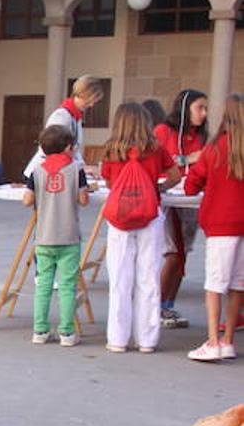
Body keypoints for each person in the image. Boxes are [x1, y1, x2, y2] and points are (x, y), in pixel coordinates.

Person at [100, 102, 181, 354]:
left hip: (121, 219)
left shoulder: (112, 150)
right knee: (148, 278)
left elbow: (108, 180)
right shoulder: (155, 148)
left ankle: (118, 338)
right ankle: (147, 339)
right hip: (150, 214)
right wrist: (158, 188)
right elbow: (176, 175)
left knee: (120, 279)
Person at [184, 93, 243, 362]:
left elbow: (191, 184)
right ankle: (229, 340)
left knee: (215, 284)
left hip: (221, 223)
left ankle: (213, 341)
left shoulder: (216, 148)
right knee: (237, 285)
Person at [23, 125, 90, 347]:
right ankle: (67, 333)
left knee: (43, 284)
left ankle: (40, 330)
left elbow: (27, 200)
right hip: (69, 236)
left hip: (43, 236)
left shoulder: (37, 171)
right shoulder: (76, 169)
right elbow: (83, 200)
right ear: (68, 147)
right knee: (67, 286)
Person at [156, 89, 210, 331]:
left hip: (191, 200)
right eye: (200, 108)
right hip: (168, 199)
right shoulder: (163, 132)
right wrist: (188, 158)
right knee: (173, 252)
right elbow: (157, 160)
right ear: (185, 108)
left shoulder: (199, 136)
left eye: (205, 109)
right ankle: (155, 306)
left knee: (183, 253)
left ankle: (168, 304)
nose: (204, 113)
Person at [25, 75, 104, 177]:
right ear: (84, 94)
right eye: (91, 100)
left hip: (58, 172)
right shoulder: (62, 116)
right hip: (42, 174)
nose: (92, 105)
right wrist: (81, 168)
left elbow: (74, 149)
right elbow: (52, 149)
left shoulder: (76, 117)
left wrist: (83, 167)